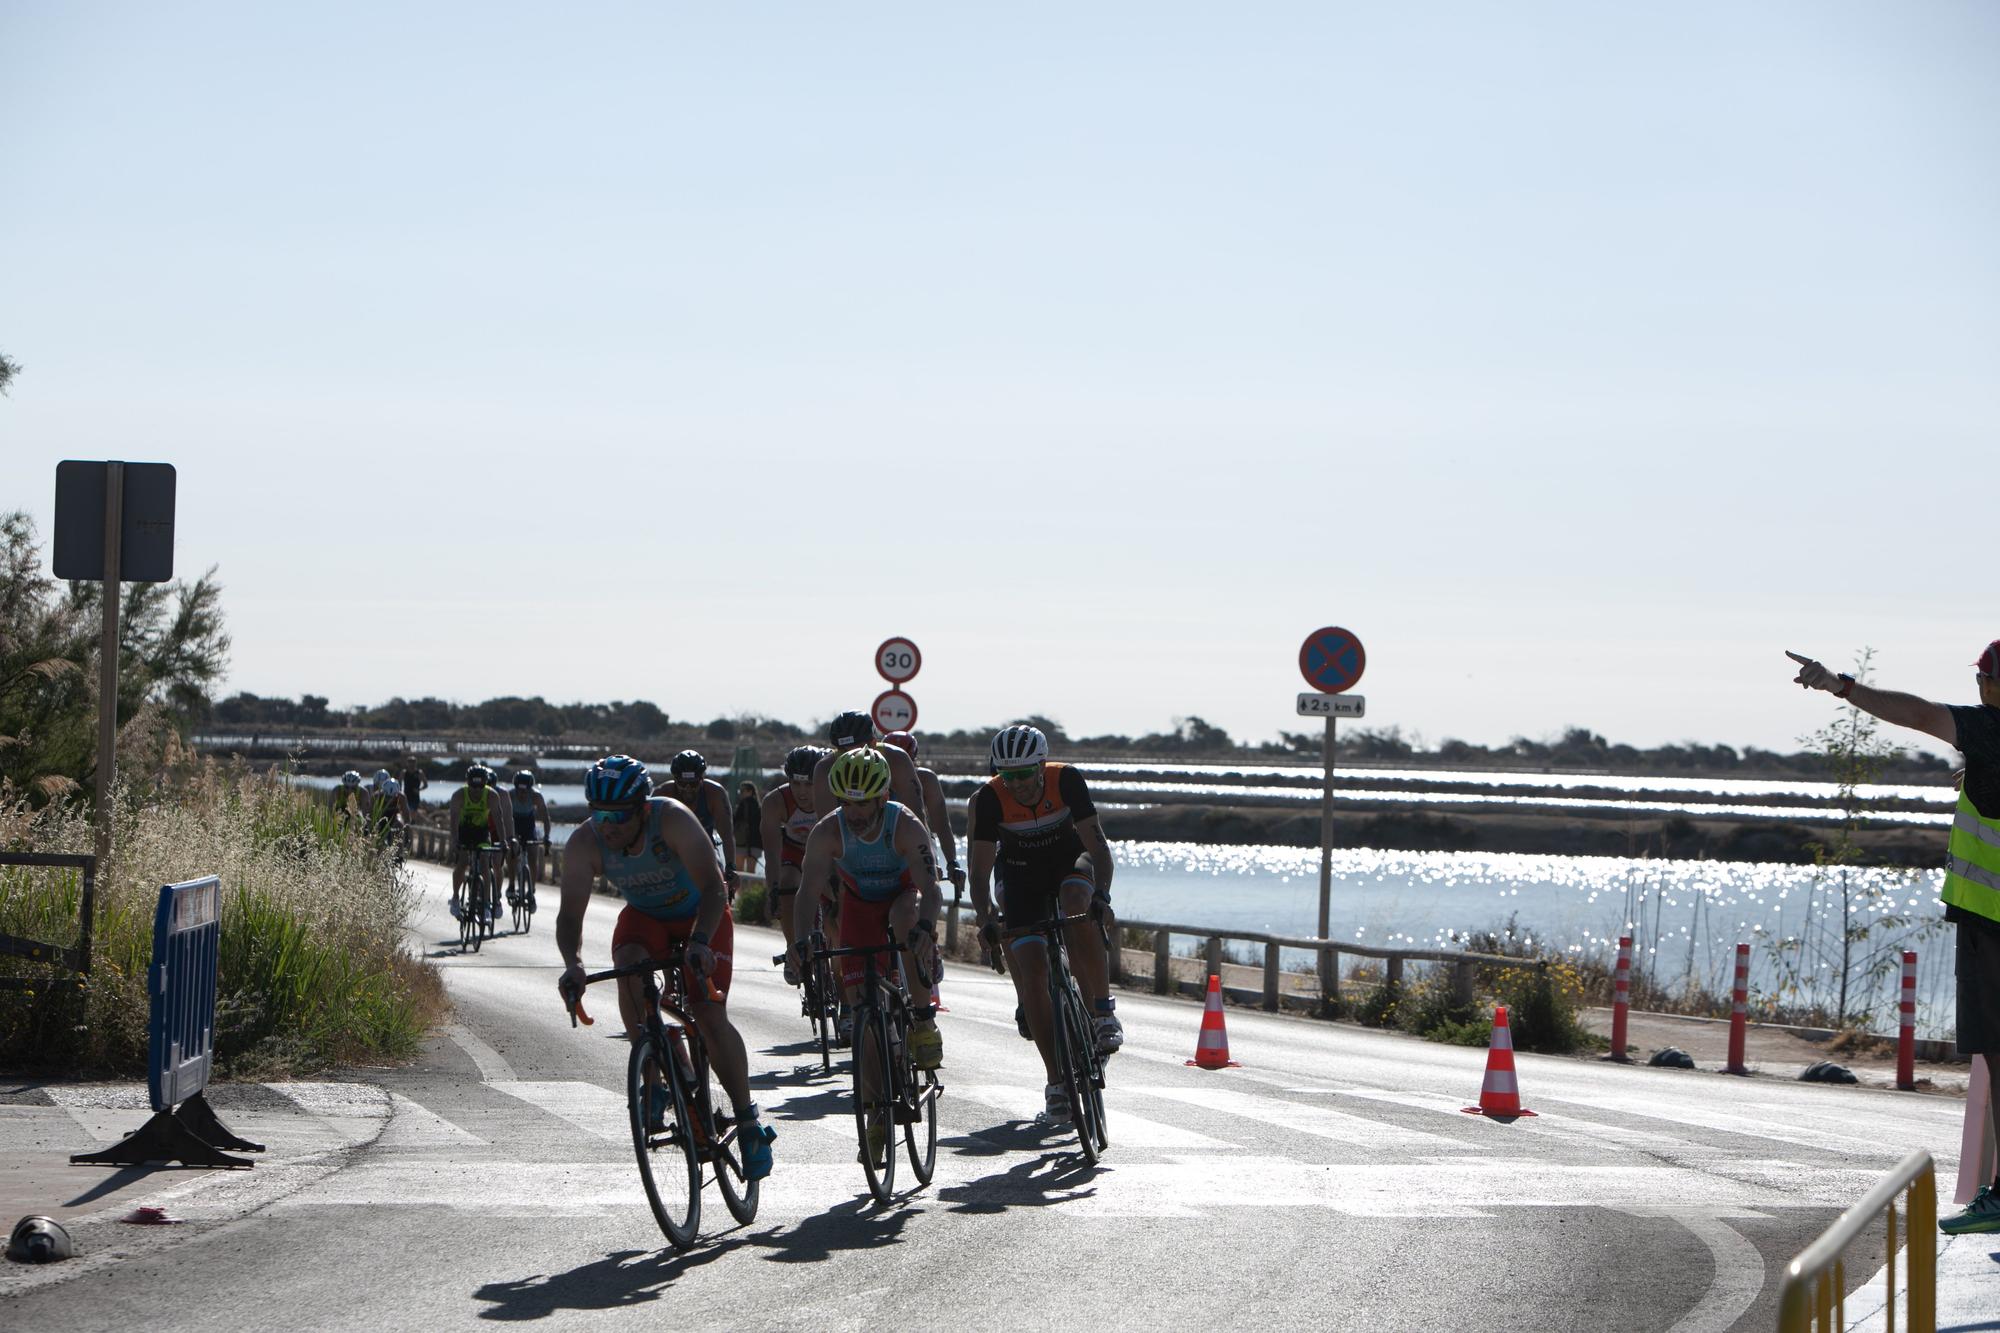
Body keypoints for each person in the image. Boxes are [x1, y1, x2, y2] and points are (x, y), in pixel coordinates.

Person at [1788, 645, 2000, 1235]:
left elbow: (1916, 712)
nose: (1979, 686)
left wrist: (1841, 686)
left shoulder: (1988, 731)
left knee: (1999, 1056)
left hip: (1992, 924)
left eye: (1983, 677)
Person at [556, 755, 773, 1180]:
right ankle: (654, 1070)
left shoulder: (673, 819)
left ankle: (747, 1120)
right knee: (627, 966)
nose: (608, 826)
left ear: (642, 807)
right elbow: (570, 917)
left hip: (701, 914)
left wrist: (699, 942)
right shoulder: (585, 842)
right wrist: (573, 964)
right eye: (598, 814)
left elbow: (714, 889)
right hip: (647, 917)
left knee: (709, 1015)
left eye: (618, 816)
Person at [787, 748, 943, 1160]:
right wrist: (799, 942)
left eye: (863, 802)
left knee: (907, 917)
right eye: (846, 802)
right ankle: (876, 1122)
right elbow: (806, 895)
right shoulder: (828, 832)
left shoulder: (904, 825)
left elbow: (931, 889)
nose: (854, 812)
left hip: (903, 895)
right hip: (859, 905)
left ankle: (923, 1019)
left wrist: (927, 930)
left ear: (882, 796)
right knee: (864, 1023)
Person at [968, 723, 1121, 1123]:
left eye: (1023, 774)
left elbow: (1099, 848)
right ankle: (1057, 1083)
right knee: (1031, 965)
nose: (1015, 784)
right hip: (1020, 875)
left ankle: (1103, 1013)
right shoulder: (988, 798)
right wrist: (987, 920)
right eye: (1007, 775)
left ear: (1041, 765)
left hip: (1070, 861)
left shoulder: (1066, 780)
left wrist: (1102, 896)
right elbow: (979, 873)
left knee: (1076, 905)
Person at [883, 730, 967, 900]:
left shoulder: (926, 779)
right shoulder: (876, 779)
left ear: (913, 760)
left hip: (918, 839)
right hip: (885, 841)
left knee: (925, 896)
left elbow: (942, 825)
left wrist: (951, 862)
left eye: (905, 762)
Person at [760, 746, 825, 961]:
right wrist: (773, 891)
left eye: (809, 783)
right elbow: (771, 854)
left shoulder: (832, 794)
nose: (802, 791)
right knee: (786, 881)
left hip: (826, 851)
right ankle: (793, 950)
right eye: (795, 783)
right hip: (794, 851)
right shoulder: (774, 802)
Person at [811, 711, 927, 827]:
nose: (852, 756)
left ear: (873, 743)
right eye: (843, 750)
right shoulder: (824, 768)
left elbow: (917, 817)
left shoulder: (897, 760)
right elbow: (828, 827)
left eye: (858, 749)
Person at [668, 750, 739, 893]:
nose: (688, 789)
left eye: (693, 784)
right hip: (671, 852)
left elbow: (726, 835)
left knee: (717, 877)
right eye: (682, 783)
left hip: (705, 849)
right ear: (675, 779)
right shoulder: (663, 793)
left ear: (702, 779)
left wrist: (730, 867)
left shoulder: (715, 794)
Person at [447, 765, 511, 921]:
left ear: (486, 784)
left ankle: (486, 904)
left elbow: (498, 819)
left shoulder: (492, 796)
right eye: (473, 786)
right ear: (468, 783)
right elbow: (454, 820)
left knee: (484, 865)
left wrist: (503, 841)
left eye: (480, 786)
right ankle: (455, 897)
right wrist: (455, 840)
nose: (476, 790)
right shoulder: (458, 795)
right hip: (464, 831)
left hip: (481, 832)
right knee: (462, 863)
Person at [507, 770, 552, 908]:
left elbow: (545, 817)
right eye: (519, 791)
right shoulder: (510, 795)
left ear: (530, 789)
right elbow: (505, 817)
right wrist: (510, 837)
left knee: (533, 856)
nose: (522, 794)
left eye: (525, 791)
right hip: (514, 824)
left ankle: (531, 891)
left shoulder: (536, 796)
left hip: (528, 825)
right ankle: (511, 884)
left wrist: (546, 836)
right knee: (513, 852)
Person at [733, 780, 762, 874]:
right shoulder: (759, 807)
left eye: (742, 791)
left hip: (741, 842)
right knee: (751, 872)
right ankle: (751, 889)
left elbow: (734, 822)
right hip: (756, 844)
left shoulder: (742, 805)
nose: (740, 794)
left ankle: (741, 889)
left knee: (739, 872)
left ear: (750, 792)